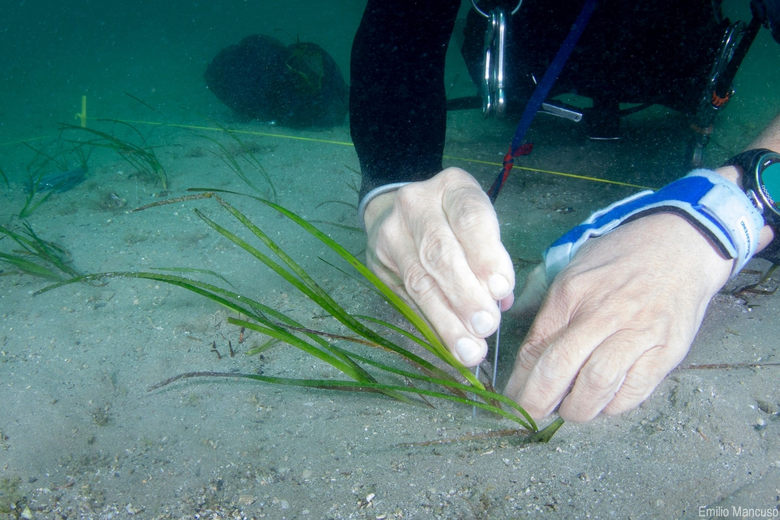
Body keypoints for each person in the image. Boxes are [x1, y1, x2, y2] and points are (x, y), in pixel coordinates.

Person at [350, 0, 780, 423]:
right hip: (523, 64)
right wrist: (394, 187)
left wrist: (721, 214)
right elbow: (401, 25)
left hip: (672, 69)